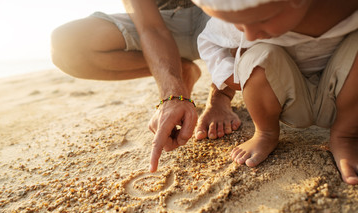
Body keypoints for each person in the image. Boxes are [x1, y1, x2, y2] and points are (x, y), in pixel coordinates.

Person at [50, 0, 241, 173]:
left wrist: (220, 96)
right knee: (65, 46)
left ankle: (220, 98)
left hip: (218, 10)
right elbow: (151, 29)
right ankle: (181, 70)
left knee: (247, 7)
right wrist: (172, 95)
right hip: (162, 21)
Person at [192, 0, 358, 184]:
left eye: (262, 19)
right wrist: (231, 75)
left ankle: (345, 135)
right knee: (258, 57)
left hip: (343, 99)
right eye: (239, 25)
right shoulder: (242, 9)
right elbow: (209, 42)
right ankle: (265, 132)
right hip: (287, 101)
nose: (250, 34)